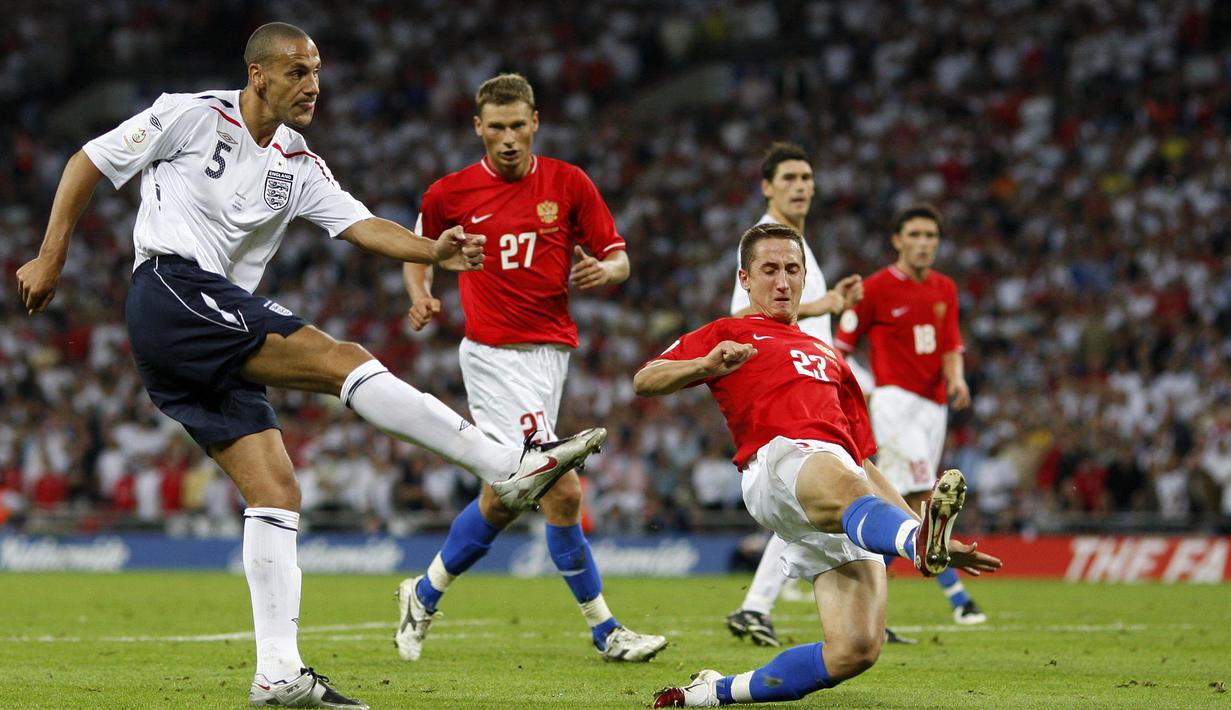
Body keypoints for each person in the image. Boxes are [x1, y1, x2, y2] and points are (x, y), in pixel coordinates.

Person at [15, 24, 606, 709]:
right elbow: (89, 159)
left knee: (276, 493)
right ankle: (504, 465)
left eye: (316, 72)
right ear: (259, 75)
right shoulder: (190, 113)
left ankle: (276, 673)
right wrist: (53, 253)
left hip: (206, 331)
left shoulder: (296, 163)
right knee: (341, 360)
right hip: (172, 292)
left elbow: (360, 225)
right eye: (297, 72)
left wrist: (431, 252)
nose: (313, 85)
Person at [635, 224, 1000, 707]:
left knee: (854, 651)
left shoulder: (831, 358)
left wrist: (922, 528)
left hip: (835, 488)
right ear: (745, 278)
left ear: (806, 277)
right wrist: (705, 366)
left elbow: (866, 466)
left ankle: (710, 694)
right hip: (777, 464)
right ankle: (915, 544)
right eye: (769, 270)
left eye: (792, 270)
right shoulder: (729, 332)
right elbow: (645, 380)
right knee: (840, 476)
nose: (782, 282)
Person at [394, 73, 667, 664]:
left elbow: (618, 256)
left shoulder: (568, 184)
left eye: (519, 125)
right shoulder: (451, 193)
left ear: (535, 121)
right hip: (492, 356)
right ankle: (607, 631)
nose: (509, 138)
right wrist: (421, 293)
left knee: (505, 496)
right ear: (478, 128)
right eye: (497, 127)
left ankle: (422, 593)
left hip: (551, 358)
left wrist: (606, 272)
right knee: (561, 488)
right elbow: (420, 249)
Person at [724, 142, 867, 648]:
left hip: (818, 388)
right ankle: (764, 604)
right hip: (789, 393)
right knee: (826, 495)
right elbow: (741, 319)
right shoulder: (765, 246)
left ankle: (761, 606)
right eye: (789, 178)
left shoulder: (800, 247)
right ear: (767, 186)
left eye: (807, 177)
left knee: (822, 501)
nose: (801, 186)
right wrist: (821, 302)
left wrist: (834, 307)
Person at [834, 203, 987, 625]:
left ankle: (865, 606)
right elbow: (839, 348)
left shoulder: (944, 289)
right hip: (895, 403)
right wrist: (868, 390)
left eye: (930, 237)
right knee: (926, 497)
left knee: (898, 504)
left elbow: (952, 345)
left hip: (935, 407)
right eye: (915, 236)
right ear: (897, 241)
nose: (923, 244)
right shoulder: (875, 288)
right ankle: (960, 600)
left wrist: (957, 379)